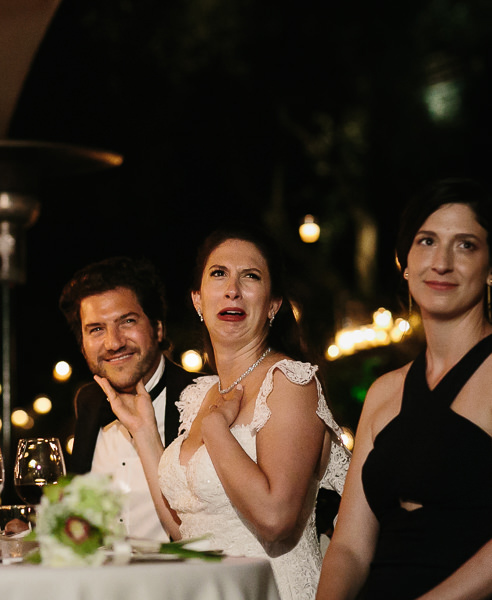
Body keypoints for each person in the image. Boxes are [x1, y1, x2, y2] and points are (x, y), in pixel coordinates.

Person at [101, 226, 349, 600]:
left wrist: (217, 430)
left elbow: (275, 520)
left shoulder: (289, 383)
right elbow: (185, 530)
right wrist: (145, 432)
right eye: (219, 274)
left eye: (250, 277)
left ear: (273, 305)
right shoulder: (202, 394)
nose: (232, 289)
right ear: (198, 301)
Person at [317, 178, 492, 600]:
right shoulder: (383, 392)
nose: (442, 262)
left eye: (465, 245)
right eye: (427, 241)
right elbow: (350, 547)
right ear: (406, 262)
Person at [59, 256, 199, 541]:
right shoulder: (87, 401)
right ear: (82, 345)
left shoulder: (201, 396)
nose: (113, 342)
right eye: (96, 329)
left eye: (127, 321)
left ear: (158, 328)